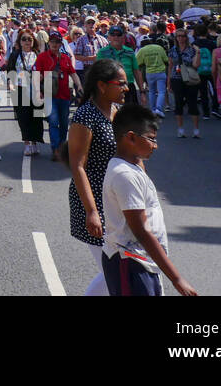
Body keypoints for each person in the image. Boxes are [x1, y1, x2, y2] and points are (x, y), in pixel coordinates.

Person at [102, 104, 196, 297]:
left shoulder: (132, 165)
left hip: (140, 260)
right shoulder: (125, 175)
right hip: (130, 263)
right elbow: (142, 231)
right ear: (130, 137)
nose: (155, 145)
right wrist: (177, 279)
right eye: (151, 139)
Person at [67, 58, 127, 297]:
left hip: (119, 200)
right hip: (94, 201)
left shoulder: (117, 111)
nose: (126, 88)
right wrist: (92, 211)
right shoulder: (85, 117)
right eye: (121, 83)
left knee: (118, 269)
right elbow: (78, 166)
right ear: (102, 86)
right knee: (115, 271)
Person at [36, 30, 80, 162]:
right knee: (53, 122)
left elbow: (73, 73)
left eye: (57, 42)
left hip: (65, 95)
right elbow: (37, 75)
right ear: (49, 43)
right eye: (52, 42)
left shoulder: (65, 58)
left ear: (61, 44)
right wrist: (38, 90)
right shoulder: (42, 57)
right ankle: (56, 149)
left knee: (64, 123)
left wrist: (79, 86)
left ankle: (61, 146)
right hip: (50, 94)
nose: (55, 44)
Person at [6, 28, 45, 156]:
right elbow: (10, 70)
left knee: (36, 117)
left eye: (30, 39)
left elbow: (44, 71)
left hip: (35, 89)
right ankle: (27, 143)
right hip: (20, 88)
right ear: (20, 41)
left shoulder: (38, 54)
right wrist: (10, 83)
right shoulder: (15, 55)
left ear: (33, 41)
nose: (27, 41)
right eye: (24, 39)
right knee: (23, 117)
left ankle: (35, 142)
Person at [167, 28, 202, 138]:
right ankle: (180, 129)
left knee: (192, 103)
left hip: (190, 78)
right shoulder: (172, 50)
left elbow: (196, 65)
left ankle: (196, 130)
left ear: (186, 37)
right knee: (178, 103)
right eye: (178, 36)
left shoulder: (192, 50)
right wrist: (168, 82)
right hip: (176, 78)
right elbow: (170, 66)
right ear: (176, 38)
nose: (181, 38)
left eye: (183, 36)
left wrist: (198, 52)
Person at [98, 26, 138, 105]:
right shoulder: (102, 52)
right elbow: (98, 72)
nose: (116, 37)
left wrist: (142, 91)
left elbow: (136, 71)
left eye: (118, 35)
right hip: (110, 88)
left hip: (128, 87)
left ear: (123, 37)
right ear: (108, 37)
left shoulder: (130, 51)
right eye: (113, 35)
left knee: (131, 115)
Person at [135, 30, 169, 117]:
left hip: (149, 73)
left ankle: (153, 109)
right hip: (160, 71)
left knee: (152, 91)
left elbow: (137, 63)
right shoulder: (158, 47)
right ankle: (159, 109)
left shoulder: (142, 50)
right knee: (161, 91)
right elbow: (165, 59)